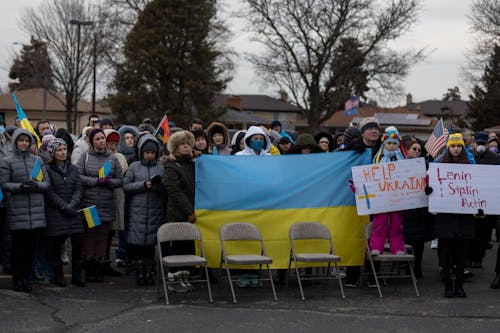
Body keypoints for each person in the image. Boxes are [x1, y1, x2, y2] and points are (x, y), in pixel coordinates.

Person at [0, 129, 50, 292]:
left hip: (36, 212)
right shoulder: (7, 161)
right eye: (21, 140)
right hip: (18, 211)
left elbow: (46, 184)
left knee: (30, 249)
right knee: (18, 249)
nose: (24, 143)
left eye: (27, 141)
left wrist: (36, 185)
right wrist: (20, 187)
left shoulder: (38, 161)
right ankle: (17, 279)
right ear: (15, 142)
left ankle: (27, 279)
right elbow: (5, 184)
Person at [427, 133, 475, 298]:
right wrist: (429, 190)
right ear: (448, 147)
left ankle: (460, 286)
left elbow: (477, 189)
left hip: (464, 216)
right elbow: (430, 185)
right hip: (445, 217)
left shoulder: (470, 166)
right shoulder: (439, 165)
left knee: (461, 254)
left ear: (463, 148)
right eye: (453, 146)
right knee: (446, 254)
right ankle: (448, 285)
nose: (456, 149)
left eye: (459, 146)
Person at [76, 128, 123, 283]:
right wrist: (96, 181)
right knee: (90, 235)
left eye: (103, 138)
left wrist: (109, 182)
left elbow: (120, 180)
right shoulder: (85, 156)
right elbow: (79, 176)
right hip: (90, 205)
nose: (101, 141)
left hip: (106, 204)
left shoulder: (113, 158)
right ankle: (89, 267)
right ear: (91, 141)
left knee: (102, 237)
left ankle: (98, 267)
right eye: (97, 139)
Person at [124, 135, 166, 285]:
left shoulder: (161, 167)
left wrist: (157, 185)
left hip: (155, 212)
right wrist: (143, 185)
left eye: (152, 153)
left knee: (150, 247)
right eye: (147, 152)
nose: (150, 155)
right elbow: (126, 186)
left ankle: (149, 273)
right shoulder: (134, 166)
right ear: (141, 152)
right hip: (138, 212)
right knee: (139, 248)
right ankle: (140, 273)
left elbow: (166, 189)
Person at [44, 138, 85, 287]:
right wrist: (63, 206)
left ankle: (77, 276)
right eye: (59, 149)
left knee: (78, 243)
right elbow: (49, 192)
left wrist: (72, 205)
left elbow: (79, 188)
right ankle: (58, 275)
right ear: (53, 152)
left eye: (64, 149)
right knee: (56, 245)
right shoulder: (47, 169)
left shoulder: (73, 168)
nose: (63, 152)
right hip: (57, 213)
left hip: (72, 212)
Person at [163, 130, 196, 291]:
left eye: (188, 144)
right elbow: (175, 191)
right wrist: (189, 211)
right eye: (183, 144)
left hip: (192, 214)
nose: (186, 146)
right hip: (178, 214)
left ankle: (185, 277)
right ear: (175, 147)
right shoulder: (171, 166)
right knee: (177, 247)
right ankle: (173, 278)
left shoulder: (192, 164)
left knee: (188, 247)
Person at [369, 127, 407, 255]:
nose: (391, 146)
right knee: (380, 223)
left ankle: (397, 248)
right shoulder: (378, 159)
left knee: (396, 224)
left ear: (398, 144)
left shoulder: (403, 159)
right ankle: (376, 247)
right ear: (384, 144)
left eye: (394, 143)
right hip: (382, 197)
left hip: (398, 197)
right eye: (389, 143)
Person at [402, 139, 434, 279]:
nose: (416, 151)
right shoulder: (399, 165)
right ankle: (407, 266)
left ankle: (417, 267)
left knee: (419, 241)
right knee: (406, 239)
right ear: (407, 150)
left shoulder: (425, 166)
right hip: (405, 208)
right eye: (414, 149)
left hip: (420, 208)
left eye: (419, 150)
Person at [467, 132, 499, 269]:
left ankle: (478, 257)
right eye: (478, 143)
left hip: (486, 201)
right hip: (469, 199)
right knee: (469, 230)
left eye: (482, 143)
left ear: (486, 143)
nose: (480, 146)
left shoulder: (494, 158)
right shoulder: (468, 156)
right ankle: (468, 257)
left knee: (483, 232)